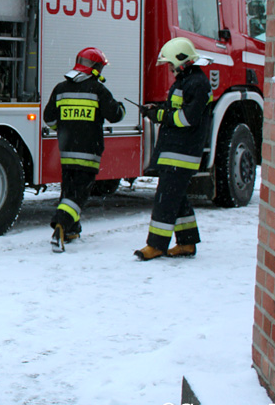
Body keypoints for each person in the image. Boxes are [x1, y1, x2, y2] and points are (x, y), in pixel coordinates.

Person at [134, 37, 212, 261]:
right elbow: (176, 109)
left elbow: (187, 118)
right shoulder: (186, 82)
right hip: (175, 150)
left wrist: (158, 115)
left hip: (182, 152)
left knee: (165, 199)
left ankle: (156, 245)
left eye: (170, 64)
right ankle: (187, 243)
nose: (169, 68)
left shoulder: (197, 83)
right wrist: (157, 109)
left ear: (182, 61)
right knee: (176, 197)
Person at [43, 47, 126, 252]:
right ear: (96, 68)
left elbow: (49, 118)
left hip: (66, 152)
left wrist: (64, 128)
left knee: (69, 190)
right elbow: (115, 115)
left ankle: (72, 230)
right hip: (89, 152)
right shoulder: (98, 90)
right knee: (79, 194)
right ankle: (60, 226)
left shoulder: (61, 88)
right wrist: (121, 107)